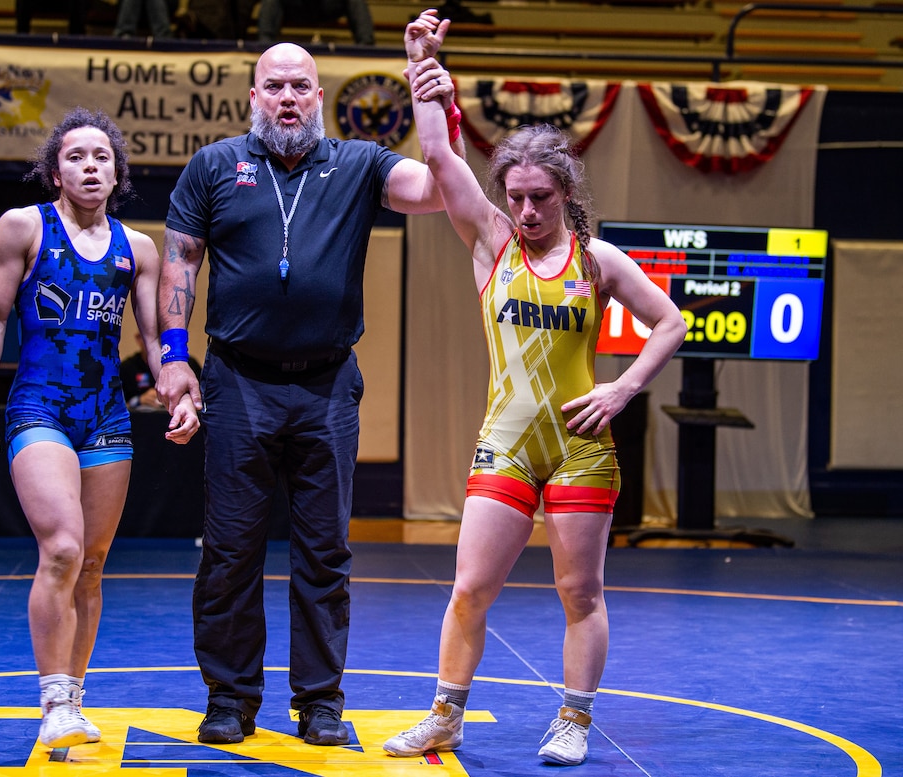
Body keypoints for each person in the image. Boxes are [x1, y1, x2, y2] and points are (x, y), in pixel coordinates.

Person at [382, 10, 687, 767]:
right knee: (468, 587)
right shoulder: (490, 243)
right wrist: (422, 66)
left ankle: (574, 720)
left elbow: (671, 323)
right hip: (508, 443)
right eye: (514, 196)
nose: (524, 211)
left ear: (564, 192)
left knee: (580, 592)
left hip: (582, 447)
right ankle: (445, 716)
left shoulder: (599, 261)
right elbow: (437, 153)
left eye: (539, 198)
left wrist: (624, 389)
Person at [154, 40, 464, 747]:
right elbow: (179, 263)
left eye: (300, 85)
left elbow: (441, 188)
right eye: (274, 86)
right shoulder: (213, 166)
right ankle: (230, 696)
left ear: (318, 97)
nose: (288, 97)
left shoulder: (359, 163)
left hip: (326, 385)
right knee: (231, 550)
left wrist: (433, 97)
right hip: (238, 382)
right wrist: (174, 360)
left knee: (324, 552)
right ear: (254, 97)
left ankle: (320, 699)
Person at [0, 107, 200, 749]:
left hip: (106, 413)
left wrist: (176, 389)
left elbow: (154, 339)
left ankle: (73, 695)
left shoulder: (138, 248)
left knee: (93, 563)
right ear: (55, 170)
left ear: (117, 170)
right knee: (63, 548)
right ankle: (53, 700)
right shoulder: (23, 229)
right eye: (76, 156)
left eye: (101, 156)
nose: (90, 166)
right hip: (38, 406)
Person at [256, 0, 375, 46]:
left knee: (356, 1)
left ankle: (366, 46)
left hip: (326, 6)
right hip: (298, 7)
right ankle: (264, 46)